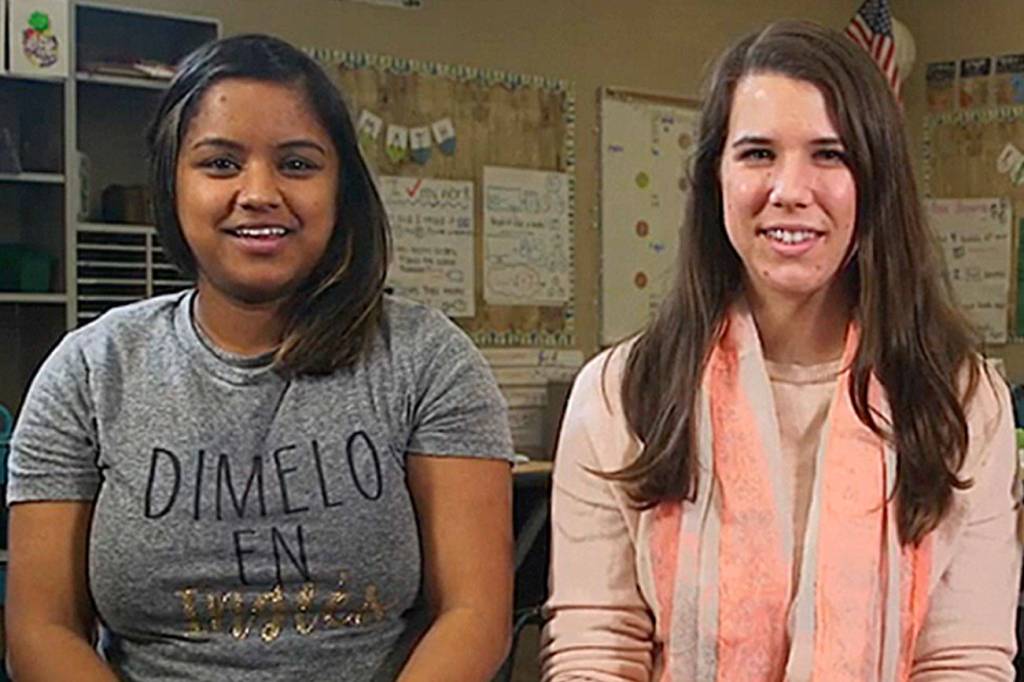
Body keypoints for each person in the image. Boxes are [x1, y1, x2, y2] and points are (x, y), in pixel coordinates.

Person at [7, 34, 514, 681]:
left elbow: (474, 614)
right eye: (220, 163)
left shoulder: (429, 360)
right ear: (171, 183)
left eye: (297, 164)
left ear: (341, 187)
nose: (259, 192)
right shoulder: (88, 371)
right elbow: (40, 629)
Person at [542, 20, 1021, 682]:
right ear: (716, 177)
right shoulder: (621, 392)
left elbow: (963, 658)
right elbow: (596, 646)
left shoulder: (961, 399)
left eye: (830, 154)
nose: (790, 189)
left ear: (876, 180)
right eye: (758, 153)